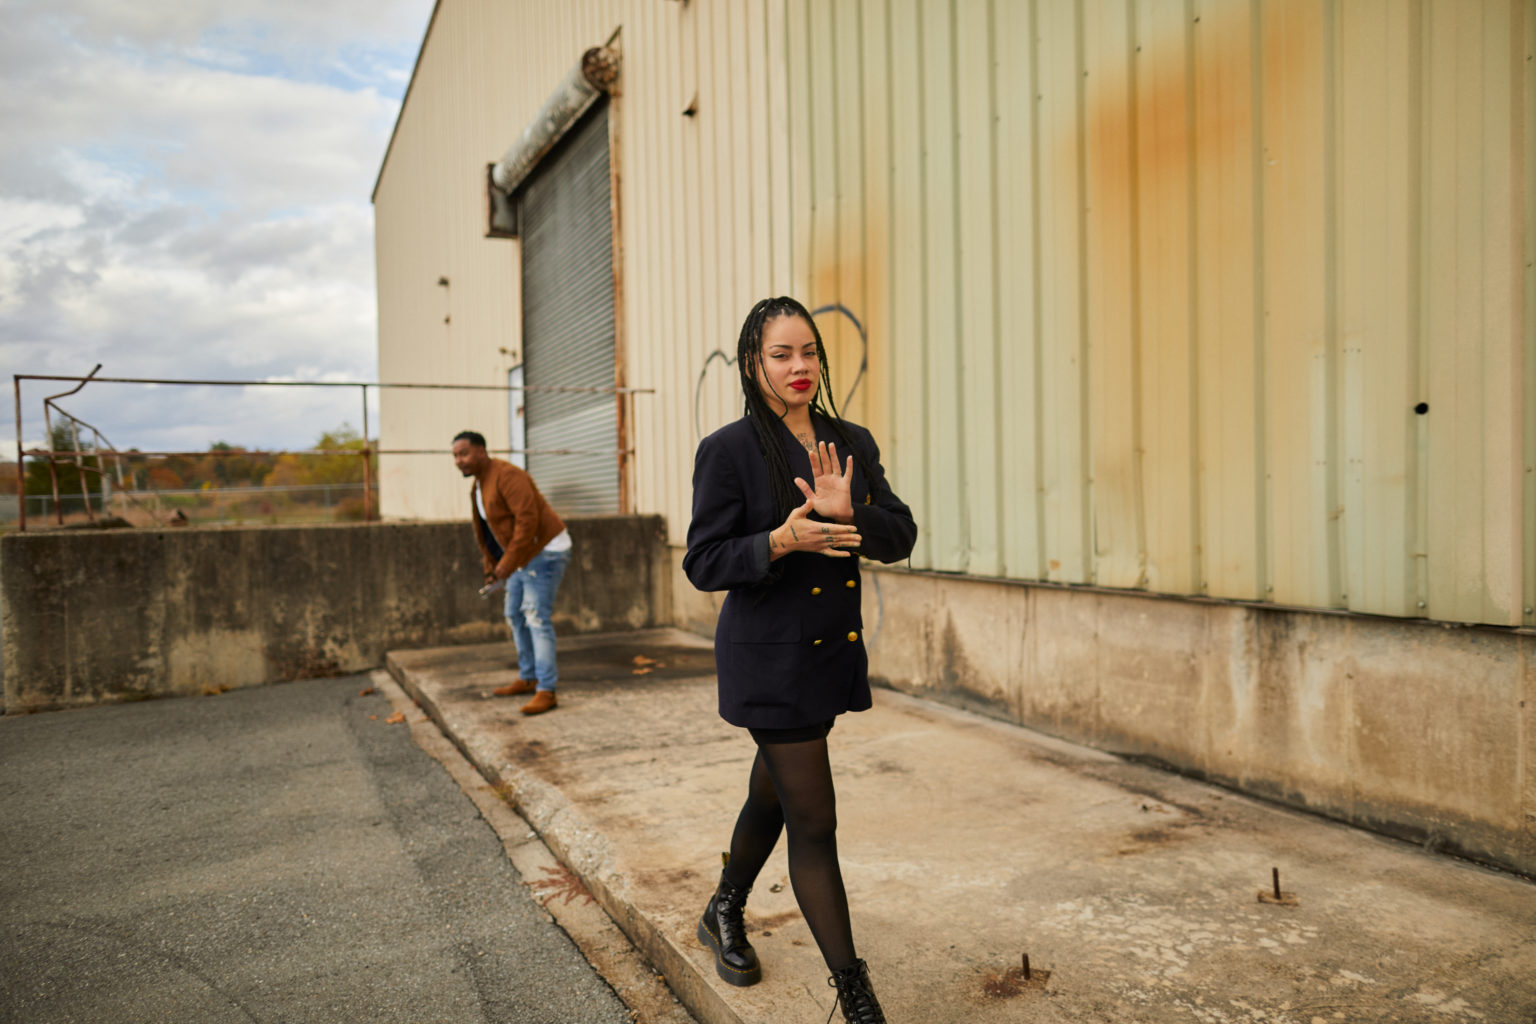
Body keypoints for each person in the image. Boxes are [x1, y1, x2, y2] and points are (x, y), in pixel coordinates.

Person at [683, 297, 917, 1023]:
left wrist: (850, 514)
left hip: (826, 657)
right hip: (768, 661)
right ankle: (855, 994)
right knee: (814, 822)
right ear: (753, 363)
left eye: (808, 351)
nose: (799, 367)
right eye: (781, 354)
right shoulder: (728, 450)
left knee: (774, 794)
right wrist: (780, 541)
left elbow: (901, 535)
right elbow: (703, 561)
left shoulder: (851, 441)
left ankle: (723, 907)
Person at [452, 429, 572, 715]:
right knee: (515, 614)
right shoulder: (479, 485)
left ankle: (547, 690)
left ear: (481, 451)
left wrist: (507, 563)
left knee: (536, 617)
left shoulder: (507, 476)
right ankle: (529, 677)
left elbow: (528, 520)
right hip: (521, 554)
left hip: (545, 550)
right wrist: (492, 566)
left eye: (464, 454)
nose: (459, 461)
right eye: (455, 456)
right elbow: (488, 532)